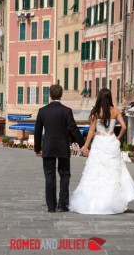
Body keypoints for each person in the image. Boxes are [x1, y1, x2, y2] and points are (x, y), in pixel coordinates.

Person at [69, 88, 134, 214]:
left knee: (96, 171)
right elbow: (124, 127)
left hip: (99, 142)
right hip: (111, 141)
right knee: (113, 171)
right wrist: (117, 138)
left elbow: (91, 130)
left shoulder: (96, 112)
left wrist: (85, 146)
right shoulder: (116, 111)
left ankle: (92, 202)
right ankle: (112, 202)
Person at [34, 84, 84, 213]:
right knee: (65, 175)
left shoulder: (42, 111)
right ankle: (62, 204)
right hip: (62, 147)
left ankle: (51, 206)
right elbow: (73, 129)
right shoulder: (66, 111)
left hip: (48, 147)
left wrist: (37, 148)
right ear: (61, 94)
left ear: (50, 95)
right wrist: (82, 144)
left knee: (49, 176)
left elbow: (38, 131)